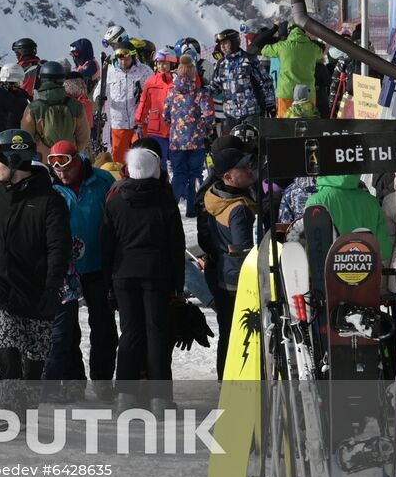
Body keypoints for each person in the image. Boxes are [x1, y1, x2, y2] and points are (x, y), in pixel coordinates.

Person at [0, 129, 71, 411]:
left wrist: (52, 287)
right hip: (1, 286)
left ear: (14, 159)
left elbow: (59, 250)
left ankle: (26, 406)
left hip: (38, 290)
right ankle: (10, 412)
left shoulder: (50, 201)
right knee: (7, 350)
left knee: (34, 356)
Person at [101, 147, 185, 413]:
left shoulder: (115, 201)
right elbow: (176, 246)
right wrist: (178, 284)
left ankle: (124, 395)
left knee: (130, 332)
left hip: (123, 274)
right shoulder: (165, 201)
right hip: (157, 274)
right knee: (157, 333)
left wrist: (108, 282)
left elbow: (107, 245)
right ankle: (160, 399)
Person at [44, 141, 118, 402]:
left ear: (77, 161)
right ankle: (73, 380)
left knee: (103, 324)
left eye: (65, 168)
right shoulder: (51, 186)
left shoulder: (102, 180)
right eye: (56, 169)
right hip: (66, 268)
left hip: (98, 264)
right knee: (67, 329)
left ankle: (102, 378)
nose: (61, 174)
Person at [202, 146, 258, 377]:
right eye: (242, 168)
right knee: (239, 331)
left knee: (227, 329)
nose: (249, 170)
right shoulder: (239, 210)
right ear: (227, 177)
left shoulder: (213, 196)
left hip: (220, 273)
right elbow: (244, 249)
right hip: (238, 280)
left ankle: (224, 376)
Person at [162, 53, 213, 217]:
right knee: (195, 175)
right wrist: (208, 128)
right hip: (196, 141)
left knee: (178, 174)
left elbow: (165, 116)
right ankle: (193, 208)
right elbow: (209, 114)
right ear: (192, 72)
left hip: (176, 141)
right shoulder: (199, 93)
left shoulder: (171, 94)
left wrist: (176, 126)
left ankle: (171, 206)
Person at [303, 172, 394, 261]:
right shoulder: (371, 202)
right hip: (365, 271)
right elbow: (384, 251)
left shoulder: (316, 202)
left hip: (328, 272)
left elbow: (312, 251)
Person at [21, 60, 90, 157]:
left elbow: (26, 136)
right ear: (63, 79)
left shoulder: (33, 107)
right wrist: (75, 153)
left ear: (41, 79)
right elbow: (84, 137)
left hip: (42, 160)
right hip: (68, 159)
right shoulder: (76, 105)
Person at [254, 23, 325, 117]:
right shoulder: (313, 48)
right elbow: (321, 54)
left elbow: (260, 46)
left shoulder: (282, 46)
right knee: (308, 123)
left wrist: (274, 28)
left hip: (286, 93)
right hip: (308, 93)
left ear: (289, 31)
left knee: (284, 125)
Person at [210, 28, 274, 126]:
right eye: (220, 44)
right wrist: (197, 92)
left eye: (225, 43)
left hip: (251, 112)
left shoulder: (249, 60)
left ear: (234, 42)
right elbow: (214, 87)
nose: (222, 46)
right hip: (230, 115)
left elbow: (265, 82)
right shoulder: (221, 64)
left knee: (252, 141)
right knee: (231, 141)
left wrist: (270, 106)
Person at [102, 46, 150, 165]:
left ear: (133, 57)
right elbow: (100, 89)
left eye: (126, 59)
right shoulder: (111, 71)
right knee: (118, 158)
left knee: (140, 156)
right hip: (118, 123)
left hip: (138, 122)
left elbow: (152, 90)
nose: (123, 62)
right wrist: (99, 97)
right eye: (120, 59)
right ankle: (120, 180)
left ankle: (140, 179)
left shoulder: (144, 71)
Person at [134, 52, 175, 174]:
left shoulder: (177, 82)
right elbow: (144, 103)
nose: (162, 66)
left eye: (165, 63)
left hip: (175, 129)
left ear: (170, 64)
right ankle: (160, 188)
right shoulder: (151, 82)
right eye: (160, 63)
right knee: (158, 162)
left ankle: (177, 191)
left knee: (176, 163)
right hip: (156, 129)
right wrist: (138, 122)